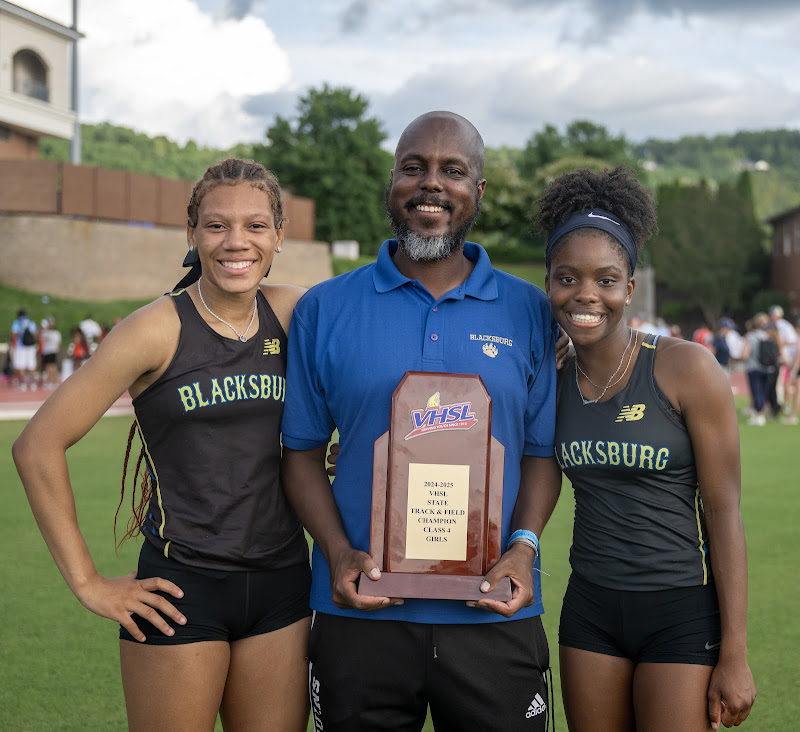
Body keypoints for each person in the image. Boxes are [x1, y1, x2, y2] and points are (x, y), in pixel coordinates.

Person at [280, 111, 563, 731]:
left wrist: (524, 548)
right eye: (414, 168)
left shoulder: (531, 310)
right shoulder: (325, 308)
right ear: (393, 182)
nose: (431, 183)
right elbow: (300, 454)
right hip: (360, 612)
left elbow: (541, 454)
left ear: (477, 191)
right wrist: (337, 553)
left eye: (452, 170)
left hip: (495, 610)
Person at [13, 158, 311, 731]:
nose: (236, 241)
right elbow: (37, 445)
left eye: (255, 225)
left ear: (279, 235)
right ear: (192, 234)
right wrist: (88, 583)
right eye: (216, 225)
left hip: (284, 584)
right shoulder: (155, 328)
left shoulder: (298, 312)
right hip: (180, 589)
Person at [533, 165, 756, 731]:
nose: (586, 294)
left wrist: (735, 652)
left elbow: (723, 510)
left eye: (606, 280)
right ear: (549, 284)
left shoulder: (687, 368)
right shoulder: (548, 378)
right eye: (567, 278)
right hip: (589, 609)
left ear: (629, 289)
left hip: (679, 610)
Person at [742, 313, 779, 425]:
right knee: (763, 392)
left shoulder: (750, 336)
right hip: (768, 368)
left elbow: (745, 354)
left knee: (756, 391)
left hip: (754, 368)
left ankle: (759, 415)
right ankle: (760, 413)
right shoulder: (767, 335)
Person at [10, 307, 38, 391]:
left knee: (21, 365)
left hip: (21, 347)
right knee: (31, 364)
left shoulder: (17, 322)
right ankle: (32, 383)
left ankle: (23, 383)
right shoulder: (31, 322)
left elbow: (13, 335)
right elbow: (35, 335)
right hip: (31, 347)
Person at [40, 316, 62, 388]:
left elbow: (59, 343)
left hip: (53, 351)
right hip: (46, 351)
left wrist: (57, 350)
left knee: (53, 366)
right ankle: (50, 381)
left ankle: (53, 381)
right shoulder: (45, 332)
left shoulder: (56, 333)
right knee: (48, 366)